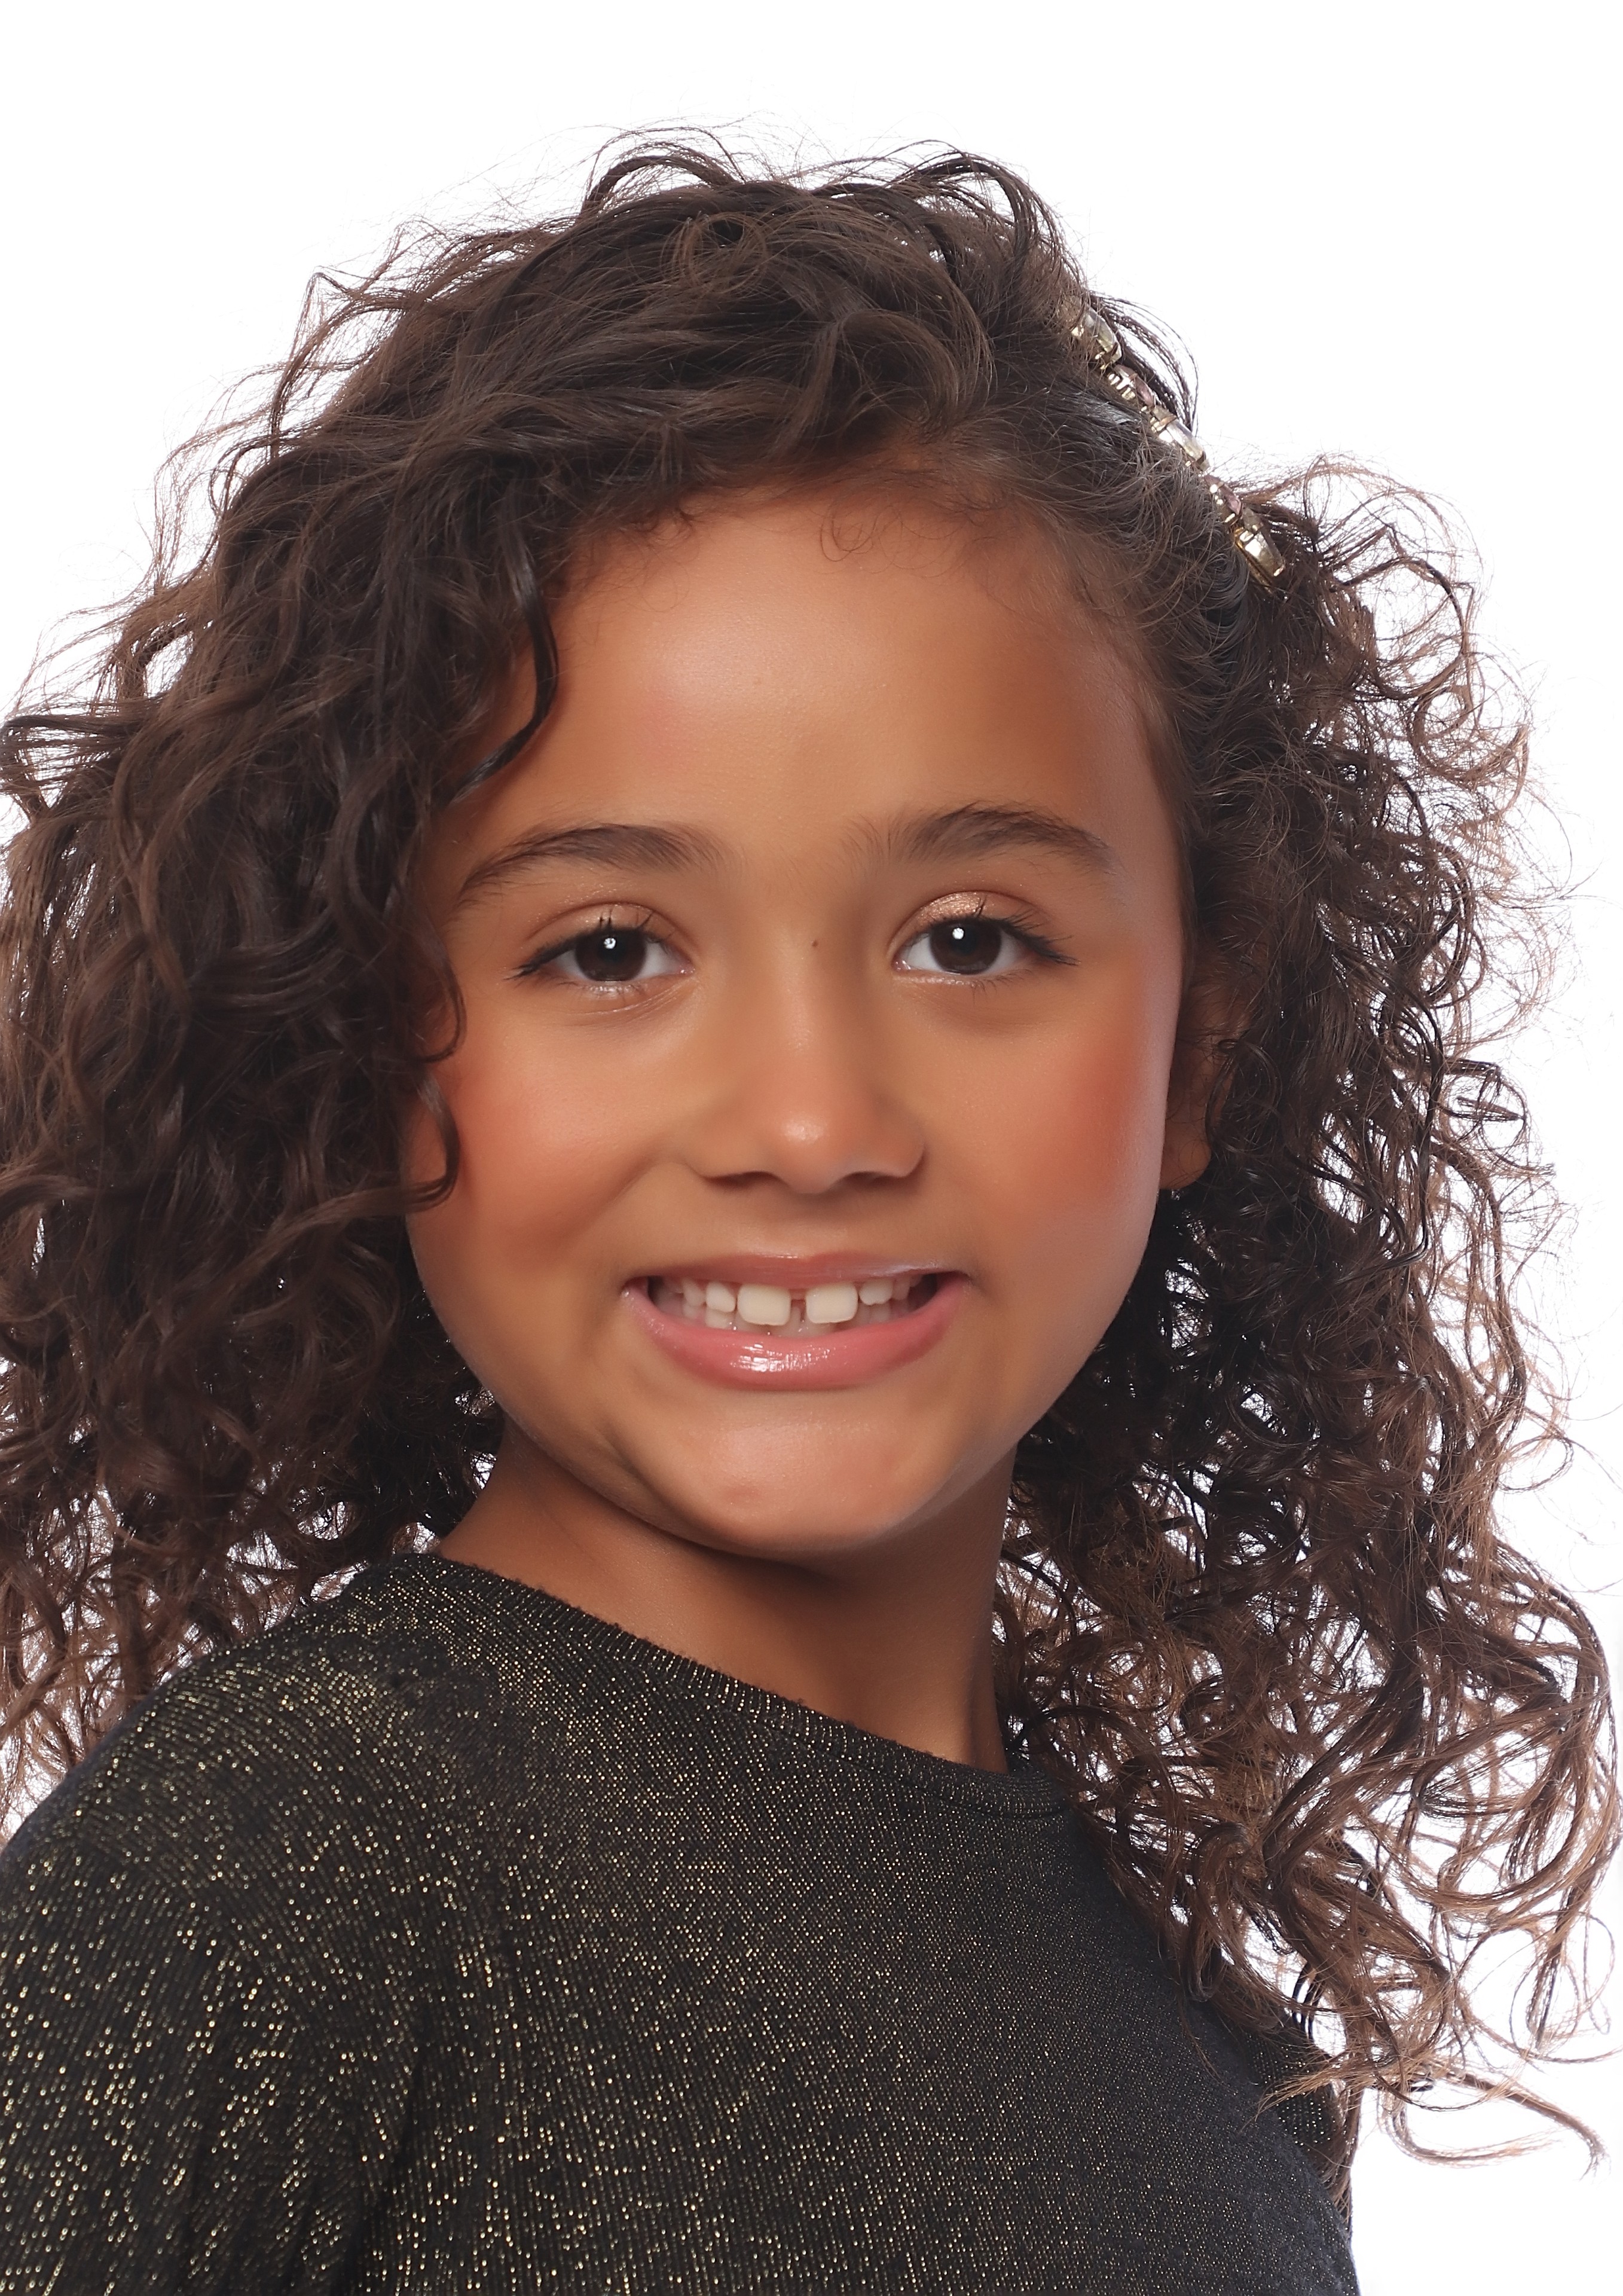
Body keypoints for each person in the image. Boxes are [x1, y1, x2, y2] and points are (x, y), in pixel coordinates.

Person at [0, 145, 1611, 2295]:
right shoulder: (290, 1879)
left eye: (968, 940)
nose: (807, 1123)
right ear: (368, 1043)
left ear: (1200, 1048)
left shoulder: (1218, 2078)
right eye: (606, 951)